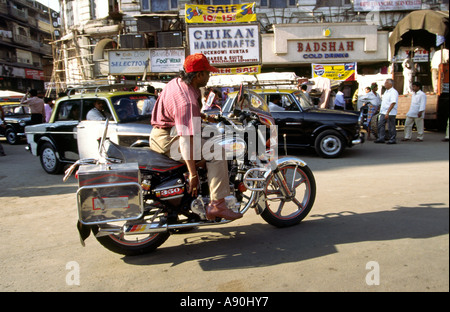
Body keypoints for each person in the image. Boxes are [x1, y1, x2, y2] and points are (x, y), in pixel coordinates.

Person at [150, 53, 242, 221]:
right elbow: (185, 140)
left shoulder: (177, 83)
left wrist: (207, 118)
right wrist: (192, 174)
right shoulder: (187, 101)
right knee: (218, 152)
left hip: (161, 134)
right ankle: (217, 204)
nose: (210, 76)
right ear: (199, 75)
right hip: (169, 139)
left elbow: (183, 115)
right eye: (208, 73)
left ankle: (205, 189)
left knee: (212, 136)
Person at [375, 79, 398, 144]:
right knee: (380, 125)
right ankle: (381, 138)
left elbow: (393, 103)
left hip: (390, 112)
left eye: (386, 83)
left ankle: (392, 139)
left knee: (391, 126)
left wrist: (388, 112)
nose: (385, 84)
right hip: (383, 111)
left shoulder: (393, 92)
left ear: (391, 84)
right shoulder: (386, 91)